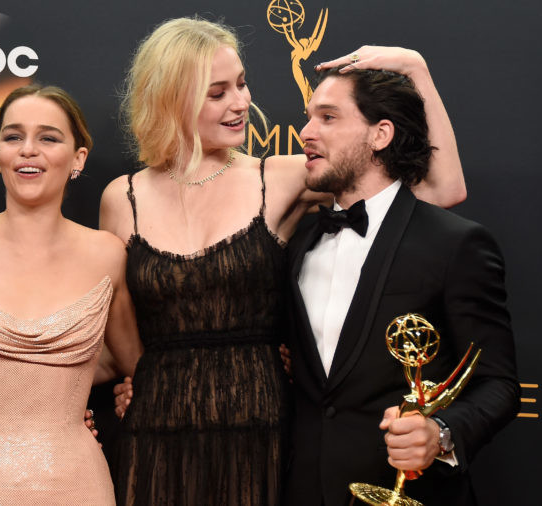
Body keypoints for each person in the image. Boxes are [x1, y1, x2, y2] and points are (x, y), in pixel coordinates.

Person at [101, 17, 466, 506]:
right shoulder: (122, 198)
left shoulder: (281, 178)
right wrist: (135, 383)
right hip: (157, 428)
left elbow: (442, 189)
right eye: (217, 93)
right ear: (172, 100)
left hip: (261, 425)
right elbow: (119, 325)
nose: (241, 102)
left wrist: (416, 70)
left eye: (242, 83)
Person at [284, 66, 519, 505]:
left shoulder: (455, 244)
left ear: (381, 134)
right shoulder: (297, 244)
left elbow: (499, 385)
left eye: (328, 117)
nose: (305, 132)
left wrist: (441, 433)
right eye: (309, 117)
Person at [0, 84, 142, 504]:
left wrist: (126, 395)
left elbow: (136, 365)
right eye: (13, 136)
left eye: (48, 138)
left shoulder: (107, 255)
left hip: (79, 485)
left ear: (78, 159)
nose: (28, 150)